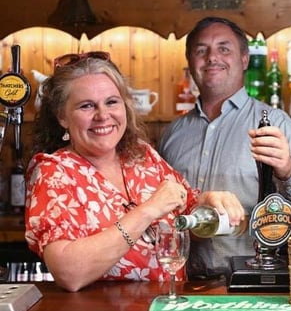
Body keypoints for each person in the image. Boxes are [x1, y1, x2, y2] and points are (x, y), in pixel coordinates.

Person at [24, 51, 245, 292]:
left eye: (111, 102)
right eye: (87, 106)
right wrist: (147, 211)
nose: (103, 115)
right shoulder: (54, 172)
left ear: (125, 106)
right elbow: (69, 273)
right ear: (62, 117)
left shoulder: (142, 156)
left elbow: (186, 215)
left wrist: (210, 202)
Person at [158, 17, 291, 280]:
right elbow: (157, 210)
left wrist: (288, 169)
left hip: (252, 283)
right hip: (182, 283)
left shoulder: (275, 123)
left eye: (224, 48)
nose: (212, 57)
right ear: (190, 62)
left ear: (245, 60)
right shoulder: (173, 133)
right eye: (201, 50)